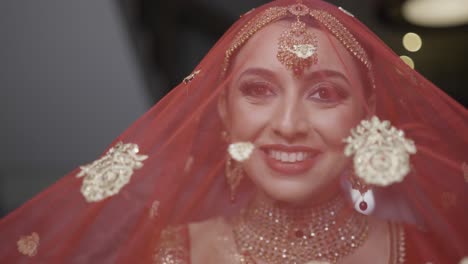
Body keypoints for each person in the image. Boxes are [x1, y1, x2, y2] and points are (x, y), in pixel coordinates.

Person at [1, 0, 467, 263]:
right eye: (259, 90)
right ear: (224, 111)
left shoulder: (430, 253)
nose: (287, 125)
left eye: (324, 94)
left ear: (365, 116)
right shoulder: (162, 253)